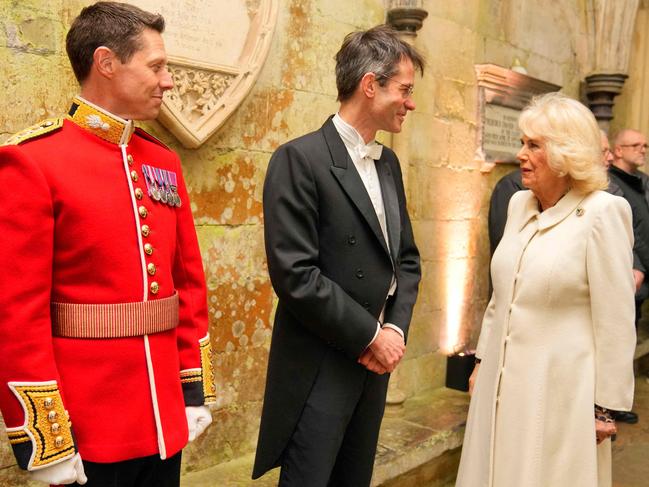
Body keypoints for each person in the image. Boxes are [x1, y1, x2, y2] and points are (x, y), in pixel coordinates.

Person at [0, 3, 215, 486]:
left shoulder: (162, 161)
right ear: (106, 62)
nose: (168, 81)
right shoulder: (33, 161)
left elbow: (188, 286)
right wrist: (45, 440)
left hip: (164, 418)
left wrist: (193, 390)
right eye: (156, 66)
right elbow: (16, 317)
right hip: (88, 426)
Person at [252, 25, 422, 487]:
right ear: (371, 85)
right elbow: (296, 275)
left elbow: (406, 260)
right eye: (404, 90)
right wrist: (371, 336)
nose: (410, 103)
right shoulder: (298, 159)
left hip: (373, 364)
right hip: (321, 364)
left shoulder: (388, 163)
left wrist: (394, 328)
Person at [456, 92, 636, 487]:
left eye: (533, 145)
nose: (521, 154)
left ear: (565, 153)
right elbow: (500, 296)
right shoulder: (519, 205)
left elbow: (617, 320)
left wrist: (605, 408)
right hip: (499, 385)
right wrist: (483, 361)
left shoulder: (604, 212)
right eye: (523, 143)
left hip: (560, 391)